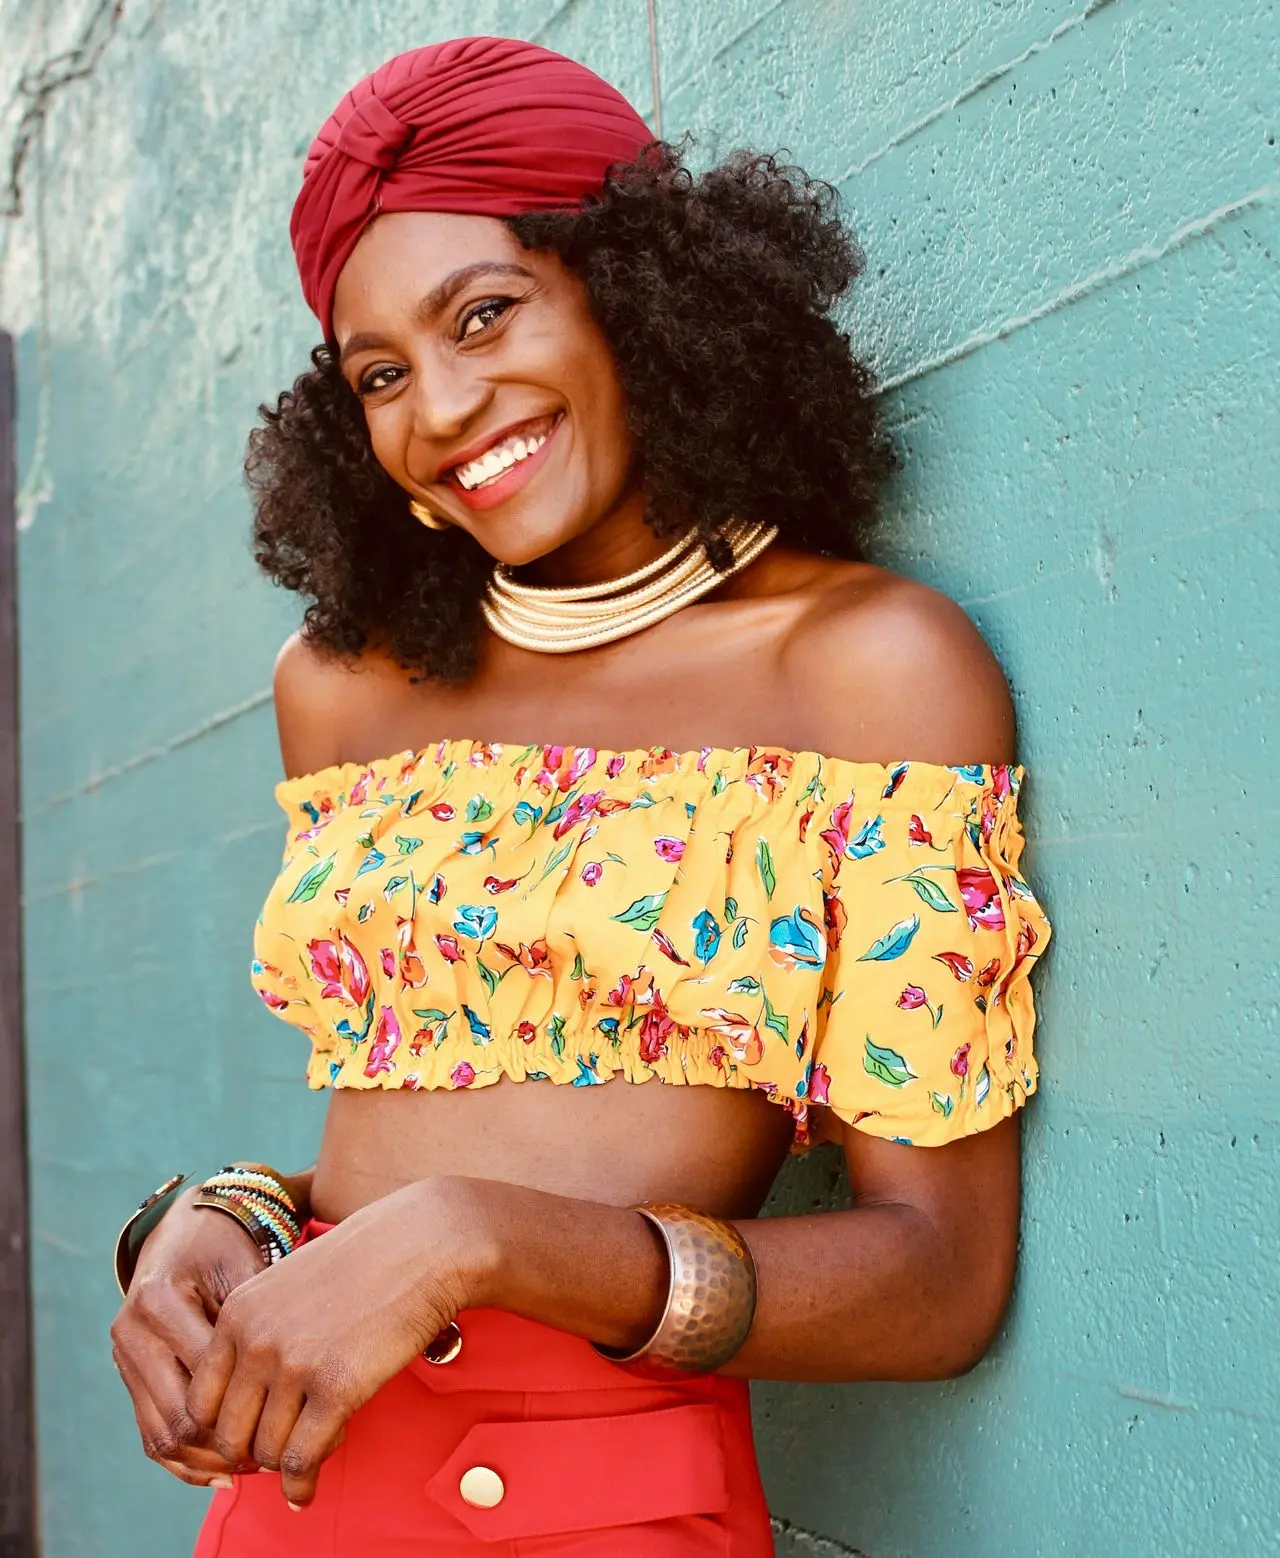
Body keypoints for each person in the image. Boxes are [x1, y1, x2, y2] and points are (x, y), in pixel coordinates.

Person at [109, 36, 1050, 1557]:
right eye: (382, 375)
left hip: (608, 1514)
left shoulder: (864, 669)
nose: (448, 405)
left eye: (486, 314)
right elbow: (407, 1146)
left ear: (634, 284)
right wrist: (227, 1216)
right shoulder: (344, 693)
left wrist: (479, 1238)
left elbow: (938, 1280)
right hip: (294, 1501)